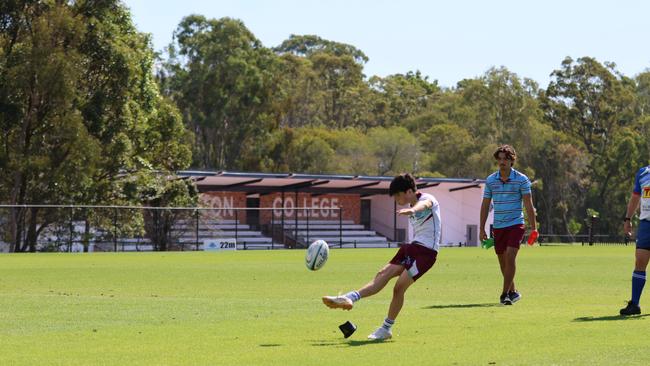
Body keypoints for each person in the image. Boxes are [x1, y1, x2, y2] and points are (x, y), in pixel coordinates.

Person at [322, 173, 441, 340]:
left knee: (398, 288)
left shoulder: (428, 198)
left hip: (427, 253)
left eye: (398, 196)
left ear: (408, 191)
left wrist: (412, 210)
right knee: (383, 273)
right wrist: (410, 209)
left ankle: (386, 328)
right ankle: (349, 298)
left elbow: (425, 204)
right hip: (412, 248)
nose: (396, 200)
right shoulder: (411, 202)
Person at [480, 145, 537, 305]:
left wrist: (534, 229)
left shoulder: (522, 179)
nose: (502, 161)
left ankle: (504, 294)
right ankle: (513, 291)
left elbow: (528, 205)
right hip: (498, 226)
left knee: (511, 257)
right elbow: (485, 205)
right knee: (503, 261)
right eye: (499, 159)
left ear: (512, 161)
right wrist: (481, 227)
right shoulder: (491, 180)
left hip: (516, 224)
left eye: (506, 159)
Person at [619, 165, 650, 316]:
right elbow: (635, 197)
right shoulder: (643, 173)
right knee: (640, 261)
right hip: (646, 224)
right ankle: (635, 304)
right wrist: (627, 218)